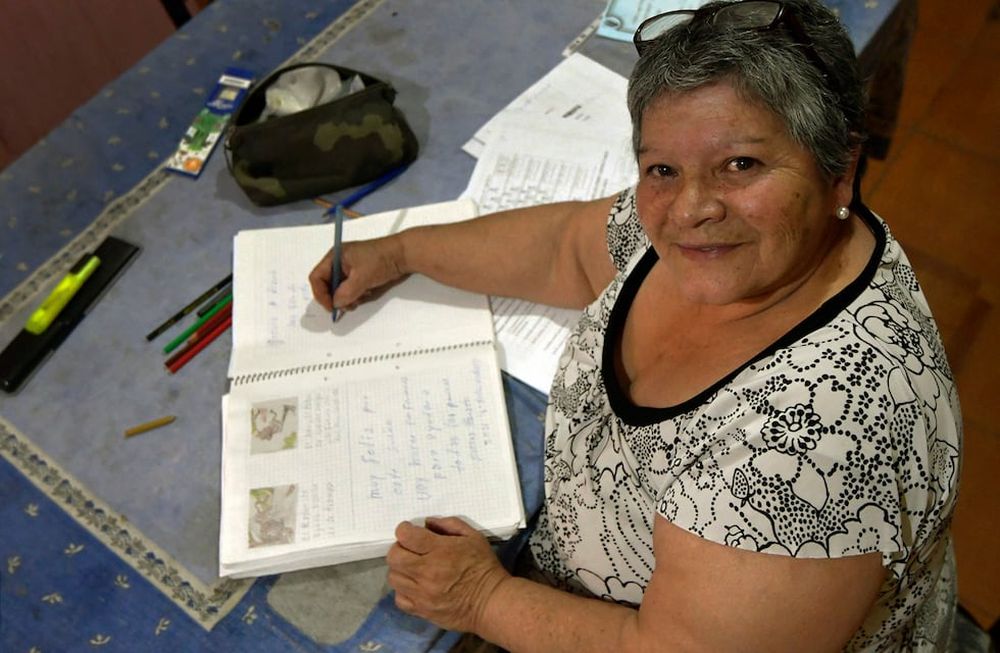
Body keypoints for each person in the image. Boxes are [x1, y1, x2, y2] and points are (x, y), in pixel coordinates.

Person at [308, 1, 961, 650]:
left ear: (839, 171)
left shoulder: (820, 430)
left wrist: (483, 598)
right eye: (663, 169)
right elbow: (565, 248)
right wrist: (401, 251)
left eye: (741, 165)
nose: (691, 208)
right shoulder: (716, 238)